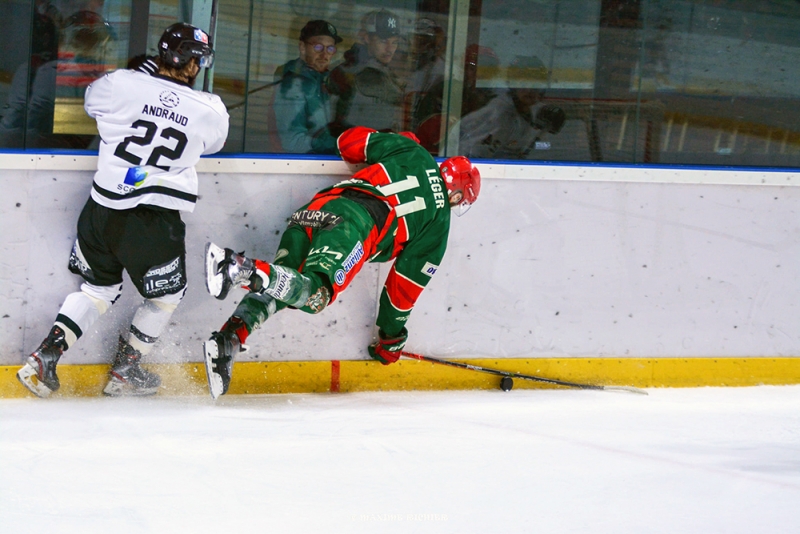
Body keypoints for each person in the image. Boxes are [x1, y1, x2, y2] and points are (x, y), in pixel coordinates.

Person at [16, 23, 230, 398]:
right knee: (166, 296)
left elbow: (90, 102)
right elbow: (213, 144)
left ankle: (45, 356)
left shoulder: (120, 84)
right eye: (198, 59)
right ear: (188, 61)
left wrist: (139, 79)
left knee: (98, 288)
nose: (199, 66)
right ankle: (126, 370)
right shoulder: (210, 108)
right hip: (152, 215)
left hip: (100, 209)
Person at [202, 126, 481, 399]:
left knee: (287, 285)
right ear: (456, 195)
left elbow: (348, 142)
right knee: (317, 295)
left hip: (317, 207)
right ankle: (241, 268)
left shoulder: (413, 151)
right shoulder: (439, 222)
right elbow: (401, 293)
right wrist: (391, 339)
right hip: (355, 225)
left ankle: (230, 338)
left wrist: (392, 140)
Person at [455, 55, 566, 159]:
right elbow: (474, 156)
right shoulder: (499, 114)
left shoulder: (529, 109)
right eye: (523, 83)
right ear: (512, 84)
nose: (530, 90)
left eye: (535, 84)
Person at [270, 19, 343, 154]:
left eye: (330, 48)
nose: (325, 54)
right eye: (318, 47)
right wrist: (341, 146)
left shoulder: (326, 79)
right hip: (304, 166)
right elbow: (293, 142)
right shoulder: (292, 84)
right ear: (302, 47)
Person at [329, 9, 405, 133]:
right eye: (383, 41)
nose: (390, 49)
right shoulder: (345, 72)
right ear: (366, 38)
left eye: (394, 42)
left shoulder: (391, 71)